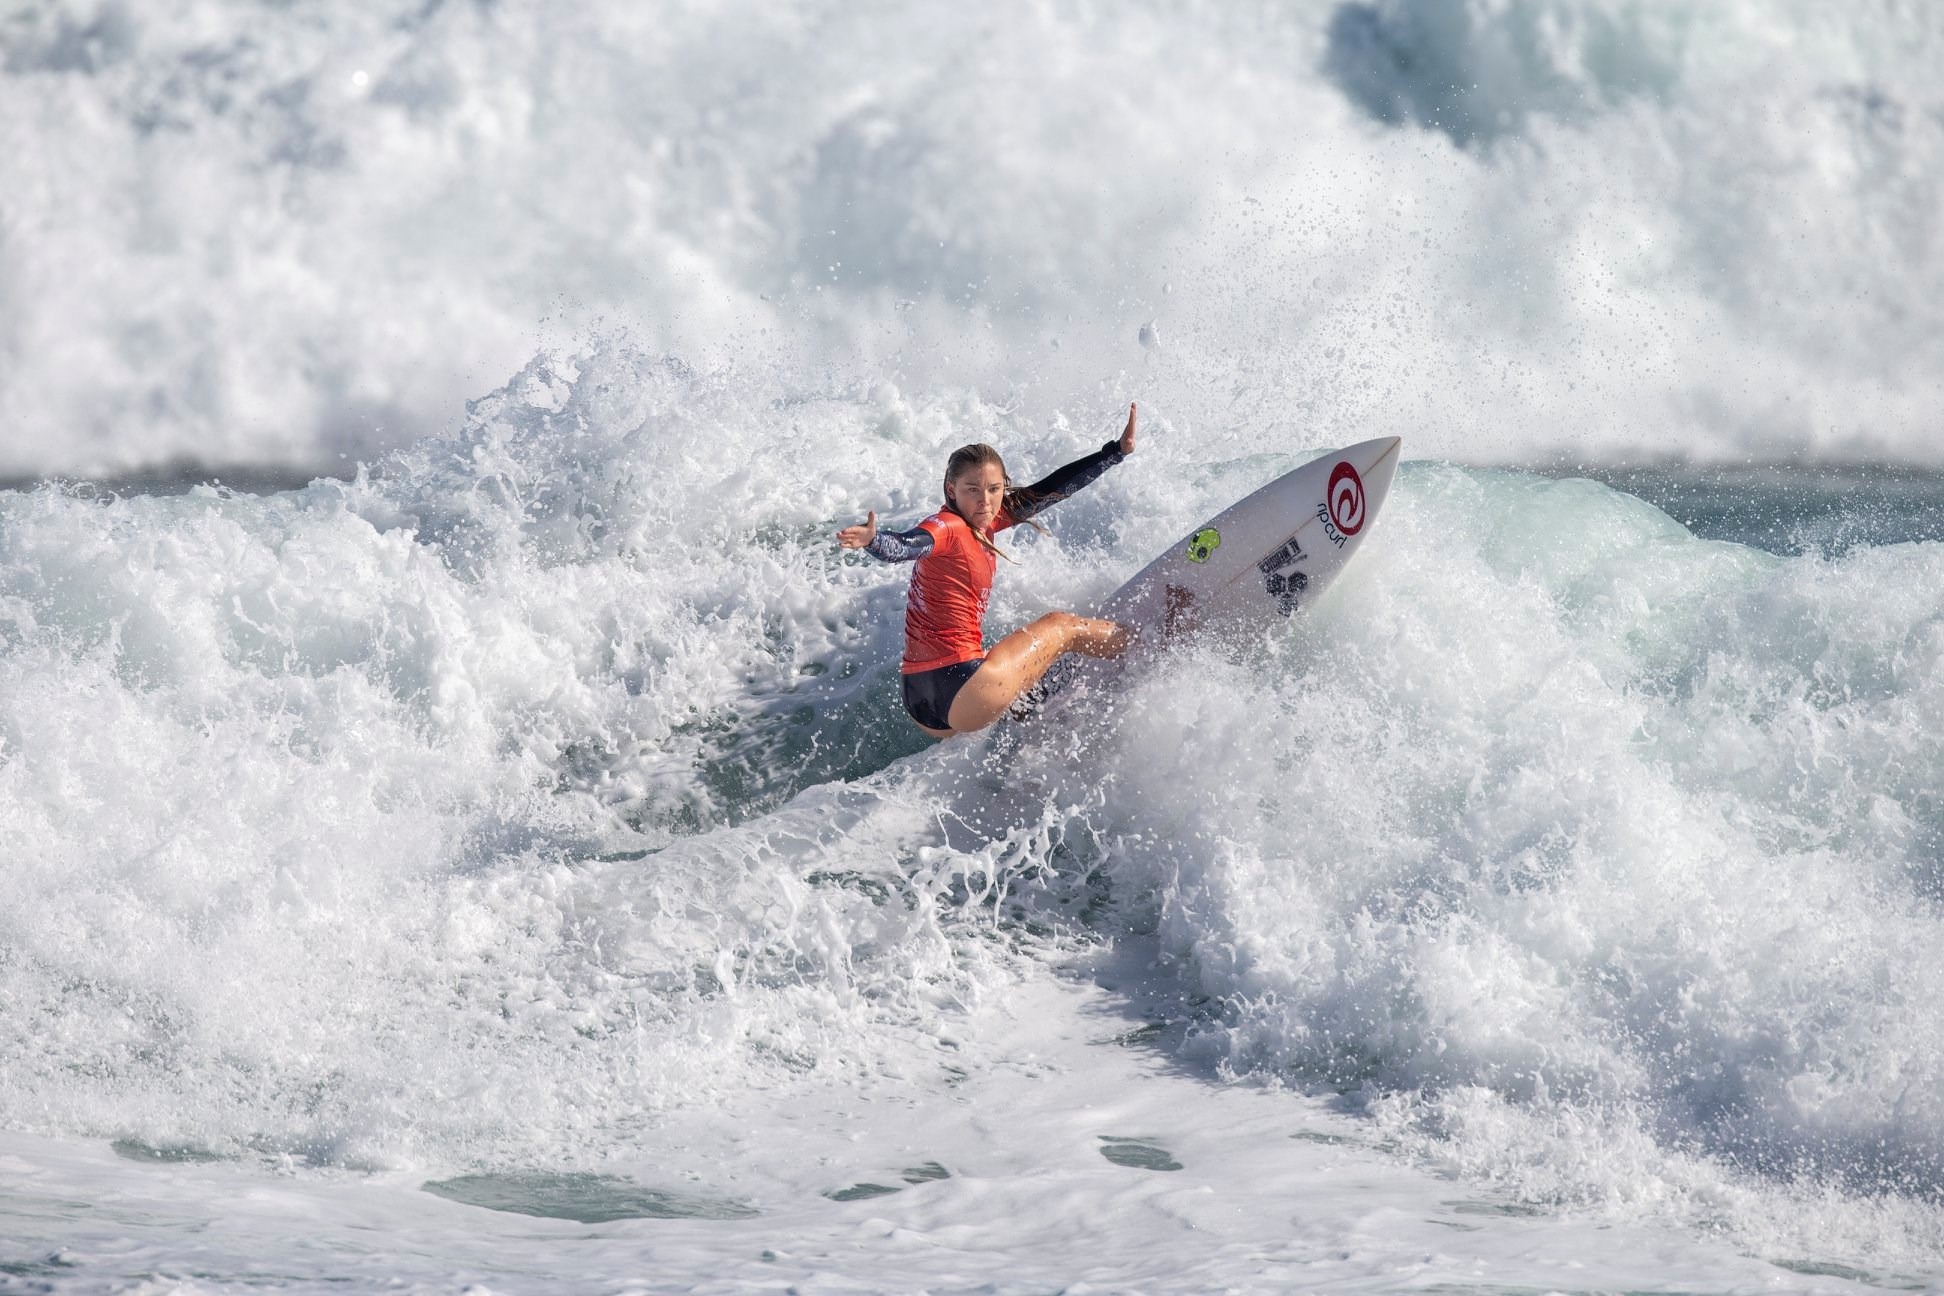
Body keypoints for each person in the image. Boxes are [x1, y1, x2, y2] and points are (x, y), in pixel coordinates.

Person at [837, 404, 1140, 738]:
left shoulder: (989, 518)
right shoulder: (946, 526)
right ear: (951, 490)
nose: (985, 501)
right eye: (972, 490)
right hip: (963, 686)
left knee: (1041, 665)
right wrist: (873, 541)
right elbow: (910, 544)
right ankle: (1146, 644)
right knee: (1060, 626)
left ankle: (1026, 720)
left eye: (994, 489)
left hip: (923, 702)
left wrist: (1115, 453)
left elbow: (1053, 489)